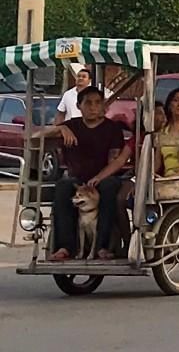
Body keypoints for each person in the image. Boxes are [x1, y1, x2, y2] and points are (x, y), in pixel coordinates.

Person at [35, 86, 131, 260]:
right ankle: (65, 247)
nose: (93, 107)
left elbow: (115, 161)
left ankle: (102, 246)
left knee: (109, 188)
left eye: (97, 103)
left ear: (103, 106)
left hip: (104, 177)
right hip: (77, 179)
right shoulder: (72, 125)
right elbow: (32, 136)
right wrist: (60, 129)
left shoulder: (112, 129)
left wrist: (98, 178)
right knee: (63, 187)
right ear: (79, 106)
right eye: (88, 103)